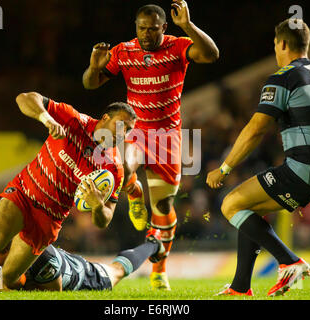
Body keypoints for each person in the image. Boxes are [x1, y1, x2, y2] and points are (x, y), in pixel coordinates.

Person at [206, 18, 310, 296]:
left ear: (283, 43)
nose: (275, 50)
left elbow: (256, 128)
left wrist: (224, 168)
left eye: (275, 44)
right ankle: (240, 288)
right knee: (250, 209)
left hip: (303, 168)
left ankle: (290, 261)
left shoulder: (284, 77)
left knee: (231, 204)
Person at [0, 92, 136, 293]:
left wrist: (98, 205)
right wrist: (46, 118)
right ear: (105, 118)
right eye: (121, 125)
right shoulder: (73, 120)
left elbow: (104, 221)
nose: (123, 133)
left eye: (128, 130)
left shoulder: (113, 168)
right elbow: (24, 98)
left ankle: (21, 278)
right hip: (24, 192)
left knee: (9, 277)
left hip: (48, 220)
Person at [82, 1, 219, 290]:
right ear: (136, 27)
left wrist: (187, 26)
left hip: (168, 138)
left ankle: (160, 269)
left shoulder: (178, 46)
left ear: (164, 27)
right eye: (142, 29)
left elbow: (211, 54)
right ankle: (133, 192)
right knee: (125, 170)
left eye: (153, 29)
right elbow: (90, 84)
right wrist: (94, 67)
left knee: (163, 205)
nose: (146, 34)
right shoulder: (124, 51)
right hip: (137, 131)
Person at [0, 229, 165, 292]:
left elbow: (54, 292)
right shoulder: (0, 256)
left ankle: (154, 244)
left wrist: (16, 284)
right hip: (66, 260)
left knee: (117, 271)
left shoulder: (42, 259)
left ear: (8, 251)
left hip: (85, 276)